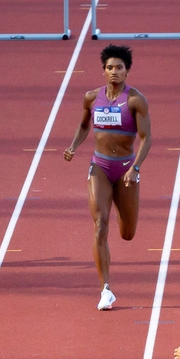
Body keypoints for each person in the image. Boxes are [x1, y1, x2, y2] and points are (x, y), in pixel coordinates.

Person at [63, 44, 151, 310]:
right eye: (110, 67)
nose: (114, 72)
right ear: (103, 71)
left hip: (125, 169)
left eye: (119, 68)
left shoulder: (135, 100)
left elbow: (146, 138)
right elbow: (82, 125)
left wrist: (135, 168)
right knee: (100, 224)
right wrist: (73, 146)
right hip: (100, 166)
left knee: (127, 234)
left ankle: (107, 285)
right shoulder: (91, 98)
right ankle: (105, 289)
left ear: (127, 71)